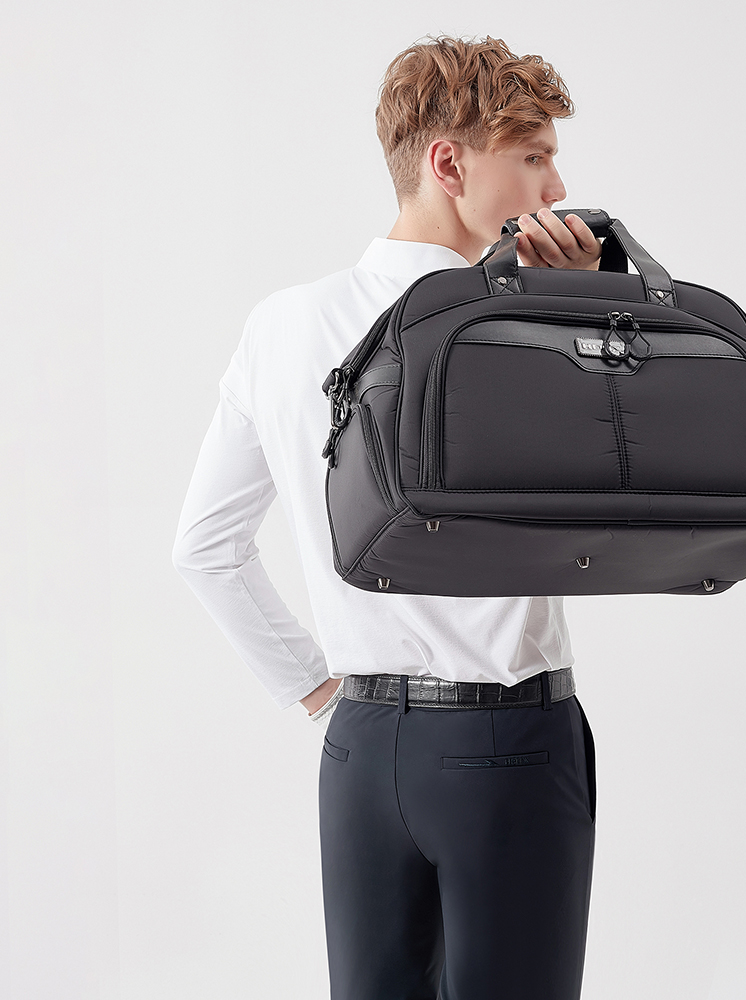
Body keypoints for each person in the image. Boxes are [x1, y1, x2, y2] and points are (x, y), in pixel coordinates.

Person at [172, 34, 601, 1000]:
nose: (557, 184)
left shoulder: (281, 324)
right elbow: (608, 495)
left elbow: (203, 549)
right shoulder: (516, 319)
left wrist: (320, 693)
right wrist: (579, 317)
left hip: (360, 750)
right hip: (507, 742)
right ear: (449, 164)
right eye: (533, 155)